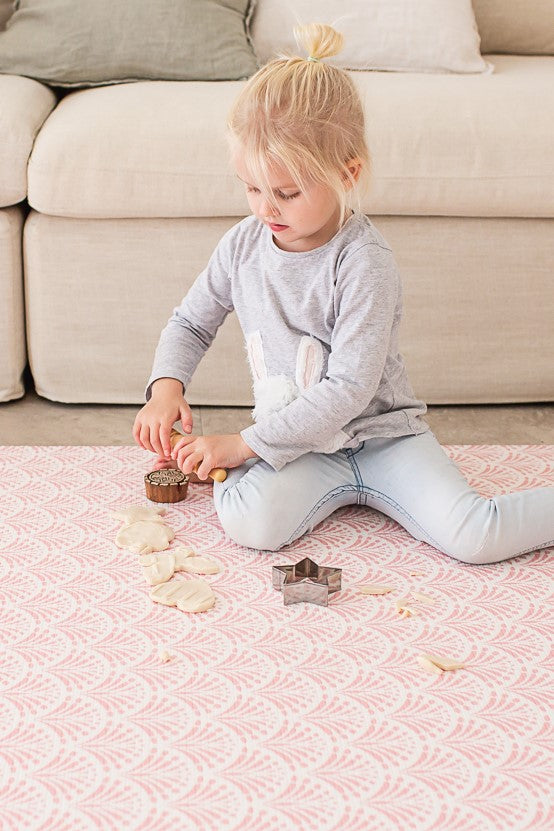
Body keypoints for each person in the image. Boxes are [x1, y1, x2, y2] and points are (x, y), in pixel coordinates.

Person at [133, 23, 554, 565]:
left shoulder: (363, 262)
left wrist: (243, 444)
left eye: (286, 192)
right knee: (251, 524)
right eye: (252, 187)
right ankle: (247, 462)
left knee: (475, 537)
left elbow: (349, 389)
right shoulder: (243, 245)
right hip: (306, 448)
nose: (265, 208)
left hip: (384, 440)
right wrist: (165, 387)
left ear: (346, 172)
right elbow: (192, 322)